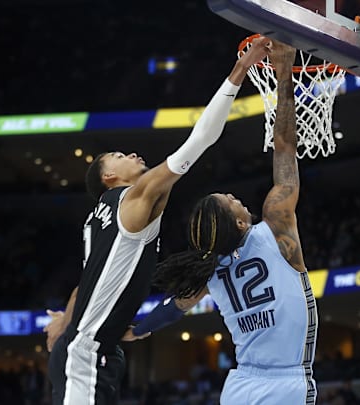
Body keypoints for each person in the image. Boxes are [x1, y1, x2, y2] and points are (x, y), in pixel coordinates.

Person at [43, 36, 273, 405]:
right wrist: (240, 70)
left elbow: (81, 286)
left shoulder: (94, 221)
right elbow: (199, 140)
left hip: (88, 350)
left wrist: (64, 326)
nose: (132, 153)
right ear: (108, 177)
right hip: (87, 353)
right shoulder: (133, 200)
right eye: (118, 155)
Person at [124, 40, 318, 404]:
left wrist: (138, 332)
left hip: (241, 385)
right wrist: (284, 75)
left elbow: (174, 309)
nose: (236, 197)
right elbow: (285, 148)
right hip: (285, 382)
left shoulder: (209, 268)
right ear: (240, 224)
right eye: (230, 201)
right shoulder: (275, 228)